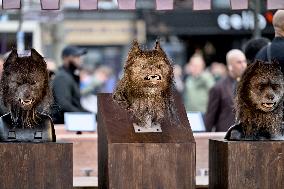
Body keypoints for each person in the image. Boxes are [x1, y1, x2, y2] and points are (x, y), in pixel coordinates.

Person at [205, 49, 247, 132]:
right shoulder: (218, 88)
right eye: (239, 62)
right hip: (225, 136)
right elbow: (210, 119)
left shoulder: (250, 86)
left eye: (244, 61)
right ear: (230, 66)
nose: (243, 65)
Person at [52, 46, 89, 124]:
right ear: (65, 58)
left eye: (80, 56)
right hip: (60, 126)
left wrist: (94, 116)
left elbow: (76, 105)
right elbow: (63, 105)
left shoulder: (71, 77)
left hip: (68, 123)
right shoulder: (62, 77)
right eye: (76, 56)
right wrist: (85, 116)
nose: (80, 59)